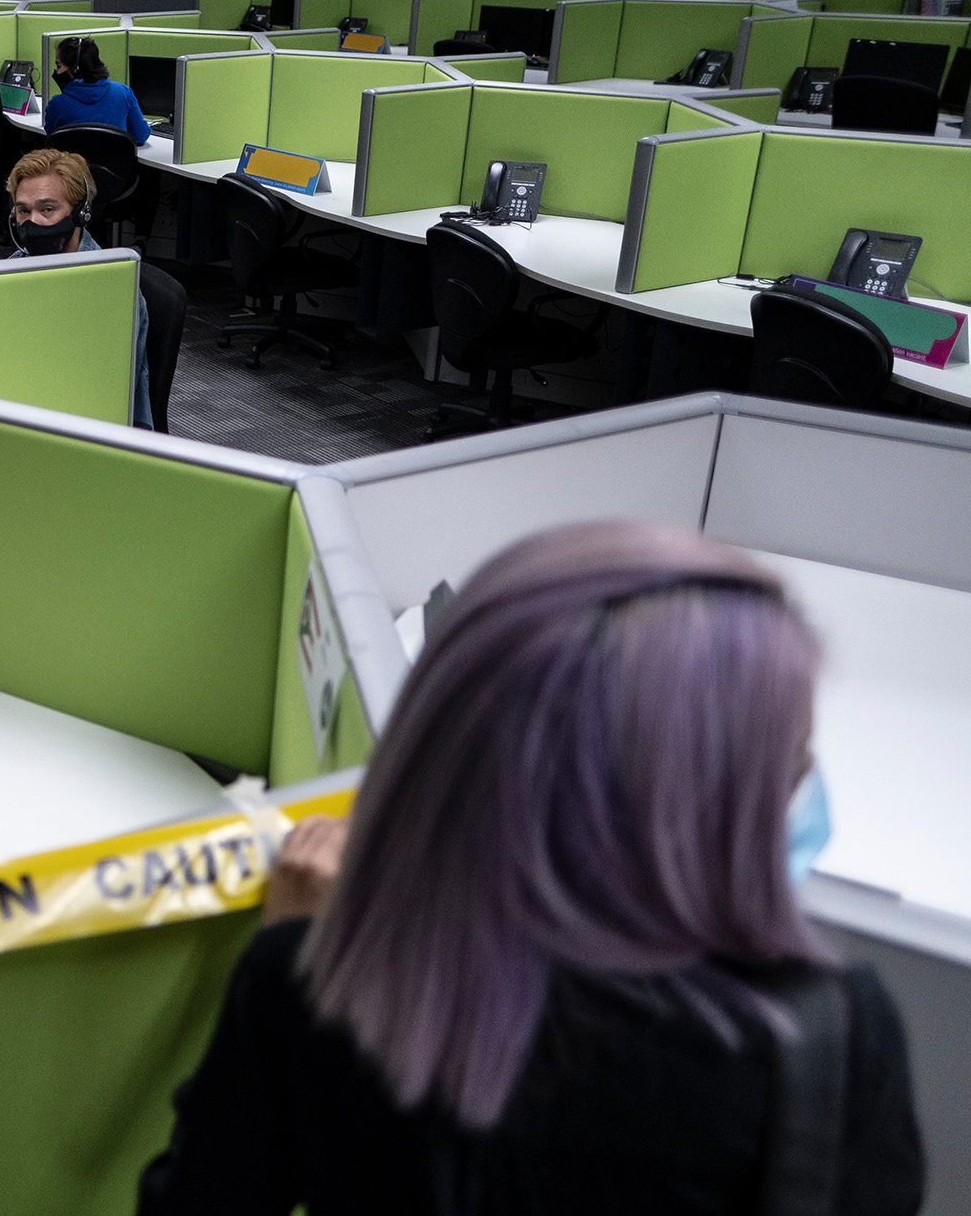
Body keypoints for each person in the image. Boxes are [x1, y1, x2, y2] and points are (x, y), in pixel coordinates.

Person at [138, 520, 926, 1216]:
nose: (803, 784)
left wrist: (304, 955)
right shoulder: (828, 1036)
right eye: (785, 763)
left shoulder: (322, 986)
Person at [6, 148, 153, 429]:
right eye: (23, 210)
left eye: (47, 209)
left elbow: (103, 395)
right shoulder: (10, 269)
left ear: (81, 213)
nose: (32, 221)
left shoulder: (110, 291)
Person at [45, 37, 150, 145]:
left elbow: (52, 143)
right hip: (114, 161)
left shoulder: (56, 104)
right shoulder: (123, 92)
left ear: (75, 70)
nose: (57, 72)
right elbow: (140, 136)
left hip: (73, 162)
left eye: (58, 66)